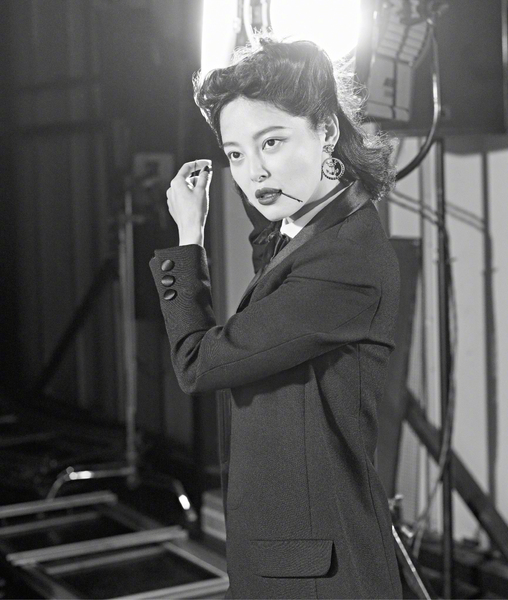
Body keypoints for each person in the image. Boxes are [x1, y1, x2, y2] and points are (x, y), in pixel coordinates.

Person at [149, 36, 403, 599]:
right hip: (296, 554)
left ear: (327, 130)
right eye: (236, 154)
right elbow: (270, 233)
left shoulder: (343, 261)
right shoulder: (316, 227)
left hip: (316, 575)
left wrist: (189, 238)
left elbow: (198, 363)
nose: (254, 173)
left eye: (272, 142)